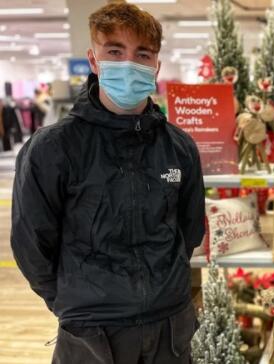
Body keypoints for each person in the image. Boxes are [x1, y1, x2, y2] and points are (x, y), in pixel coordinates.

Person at [11, 3, 205, 363]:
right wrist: (74, 301)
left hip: (169, 328)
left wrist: (163, 288)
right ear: (94, 59)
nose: (129, 64)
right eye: (115, 51)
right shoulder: (53, 148)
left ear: (156, 65)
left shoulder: (179, 148)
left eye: (142, 54)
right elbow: (31, 243)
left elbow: (190, 232)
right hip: (91, 333)